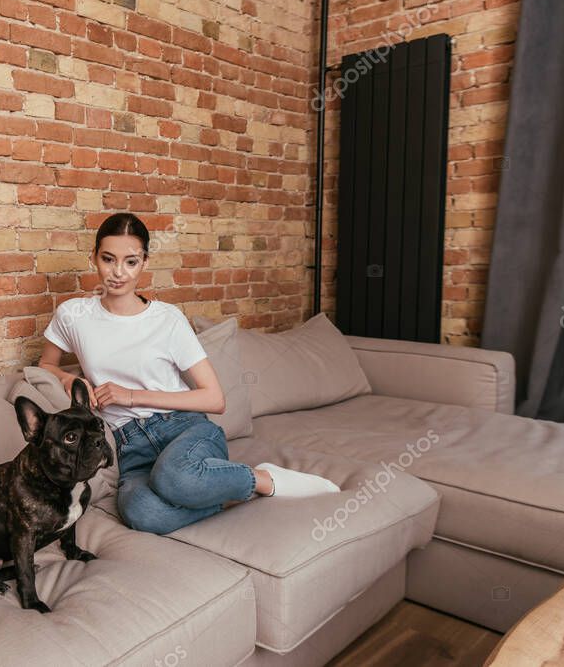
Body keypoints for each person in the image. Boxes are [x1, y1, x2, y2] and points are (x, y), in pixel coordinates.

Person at [38, 212, 340, 535]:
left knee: (173, 477)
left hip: (183, 429)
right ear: (94, 257)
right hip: (130, 448)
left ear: (145, 263)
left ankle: (262, 478)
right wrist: (71, 380)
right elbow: (45, 365)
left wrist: (131, 396)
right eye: (108, 259)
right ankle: (225, 491)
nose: (118, 272)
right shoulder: (74, 315)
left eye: (131, 262)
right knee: (141, 513)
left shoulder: (167, 319)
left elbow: (215, 399)